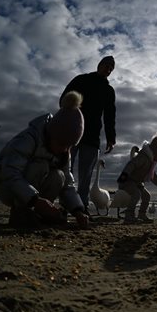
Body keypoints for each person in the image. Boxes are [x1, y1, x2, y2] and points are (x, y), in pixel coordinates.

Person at [0, 91, 89, 229]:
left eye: (69, 146)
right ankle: (21, 212)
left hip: (31, 194)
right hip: (6, 184)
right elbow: (10, 171)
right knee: (41, 165)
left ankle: (41, 213)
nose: (64, 149)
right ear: (52, 133)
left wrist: (78, 211)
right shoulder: (29, 138)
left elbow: (68, 183)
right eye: (62, 144)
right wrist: (35, 200)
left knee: (59, 176)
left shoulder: (64, 152)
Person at [60, 56, 117, 215]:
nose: (108, 69)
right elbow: (64, 99)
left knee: (86, 175)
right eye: (106, 65)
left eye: (111, 68)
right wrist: (65, 120)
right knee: (66, 169)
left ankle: (82, 206)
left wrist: (111, 137)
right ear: (99, 65)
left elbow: (109, 115)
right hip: (72, 132)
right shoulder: (81, 80)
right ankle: (64, 205)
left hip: (92, 137)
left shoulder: (108, 91)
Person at [117, 133, 157, 223]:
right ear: (155, 152)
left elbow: (154, 178)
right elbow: (131, 165)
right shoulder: (143, 157)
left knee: (147, 196)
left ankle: (142, 214)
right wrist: (123, 179)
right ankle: (129, 215)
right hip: (127, 181)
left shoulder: (151, 163)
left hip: (137, 183)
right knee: (136, 194)